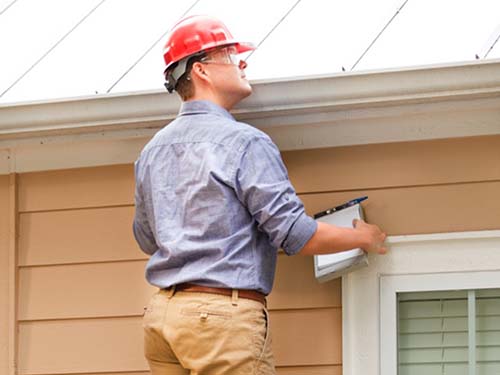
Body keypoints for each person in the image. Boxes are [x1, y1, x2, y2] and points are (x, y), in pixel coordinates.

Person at [133, 15, 387, 375]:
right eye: (231, 56)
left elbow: (147, 239)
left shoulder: (151, 152)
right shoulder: (245, 142)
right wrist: (361, 237)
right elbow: (295, 234)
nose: (243, 63)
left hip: (162, 318)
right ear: (201, 70)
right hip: (219, 320)